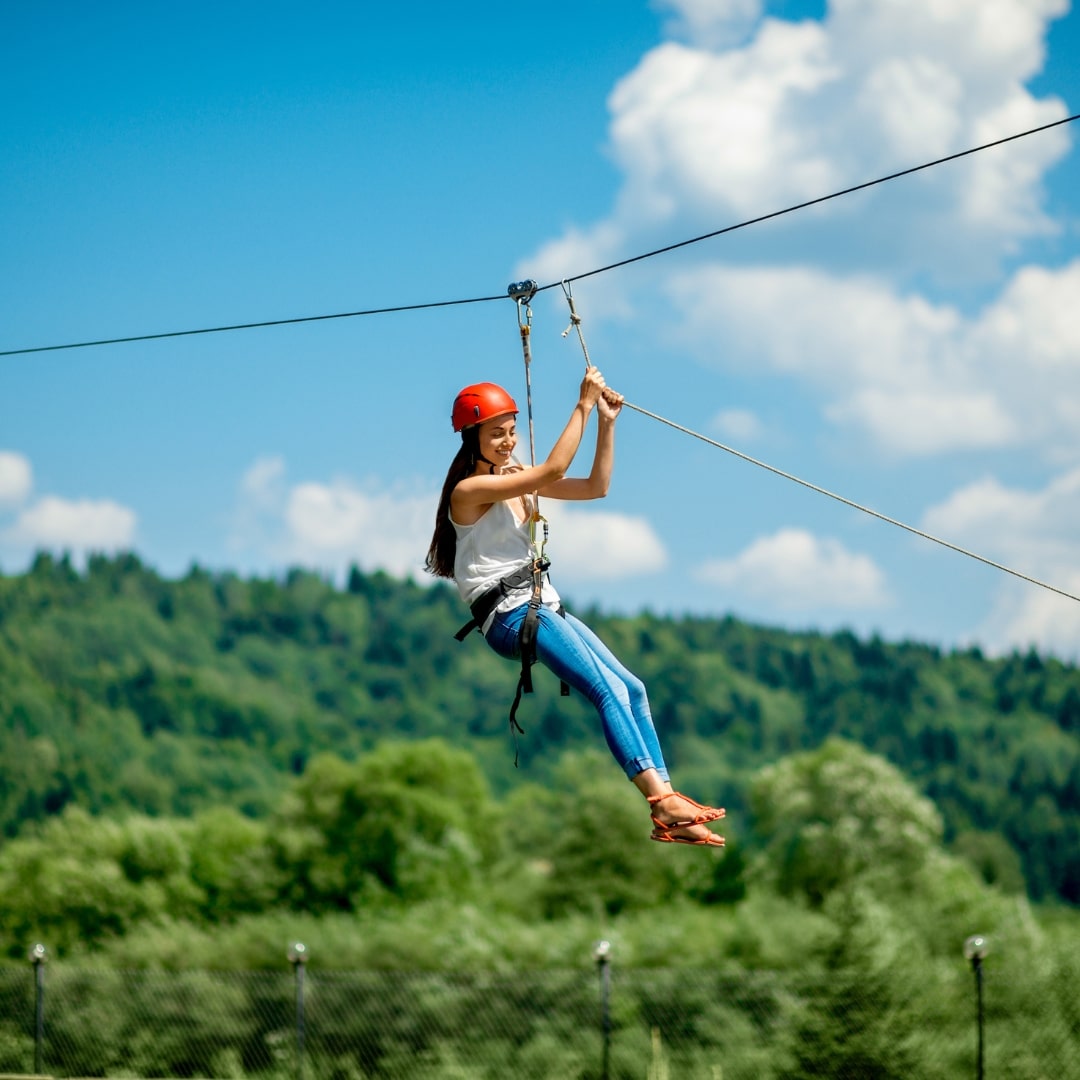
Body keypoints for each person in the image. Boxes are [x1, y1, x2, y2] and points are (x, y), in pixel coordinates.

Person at [425, 366, 724, 847]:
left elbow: (593, 487)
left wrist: (606, 423)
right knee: (605, 690)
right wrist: (581, 404)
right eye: (496, 435)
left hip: (540, 605)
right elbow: (555, 471)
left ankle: (669, 804)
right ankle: (658, 801)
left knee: (633, 689)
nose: (507, 442)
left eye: (510, 432)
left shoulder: (516, 478)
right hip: (510, 615)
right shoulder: (470, 492)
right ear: (471, 439)